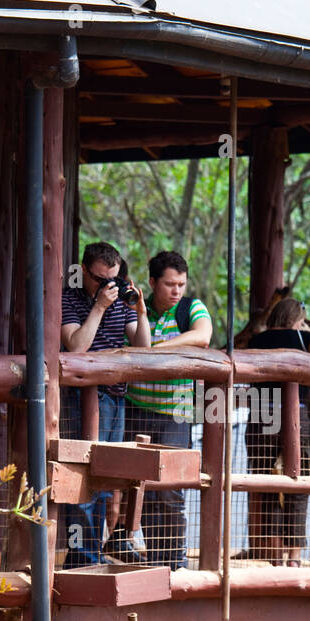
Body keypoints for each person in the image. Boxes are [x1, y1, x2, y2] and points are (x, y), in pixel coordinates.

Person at [110, 250, 212, 569]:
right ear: (152, 282)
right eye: (169, 284)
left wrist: (154, 350)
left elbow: (203, 336)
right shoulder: (134, 309)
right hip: (136, 408)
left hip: (176, 413)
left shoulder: (190, 308)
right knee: (128, 483)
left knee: (169, 489)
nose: (177, 290)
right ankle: (124, 544)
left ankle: (171, 561)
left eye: (181, 284)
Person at [59, 241, 151, 568]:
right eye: (100, 279)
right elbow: (76, 348)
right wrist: (98, 306)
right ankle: (81, 559)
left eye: (112, 278)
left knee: (107, 477)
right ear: (84, 271)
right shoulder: (69, 298)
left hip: (116, 397)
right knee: (83, 477)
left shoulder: (119, 297)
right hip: (83, 399)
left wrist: (140, 311)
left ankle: (93, 552)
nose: (107, 286)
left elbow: (143, 349)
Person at [244, 297, 310, 566]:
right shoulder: (300, 337)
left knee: (266, 482)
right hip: (295, 414)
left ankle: (274, 556)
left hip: (261, 414)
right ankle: (294, 556)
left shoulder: (255, 340)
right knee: (298, 482)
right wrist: (309, 336)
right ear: (297, 319)